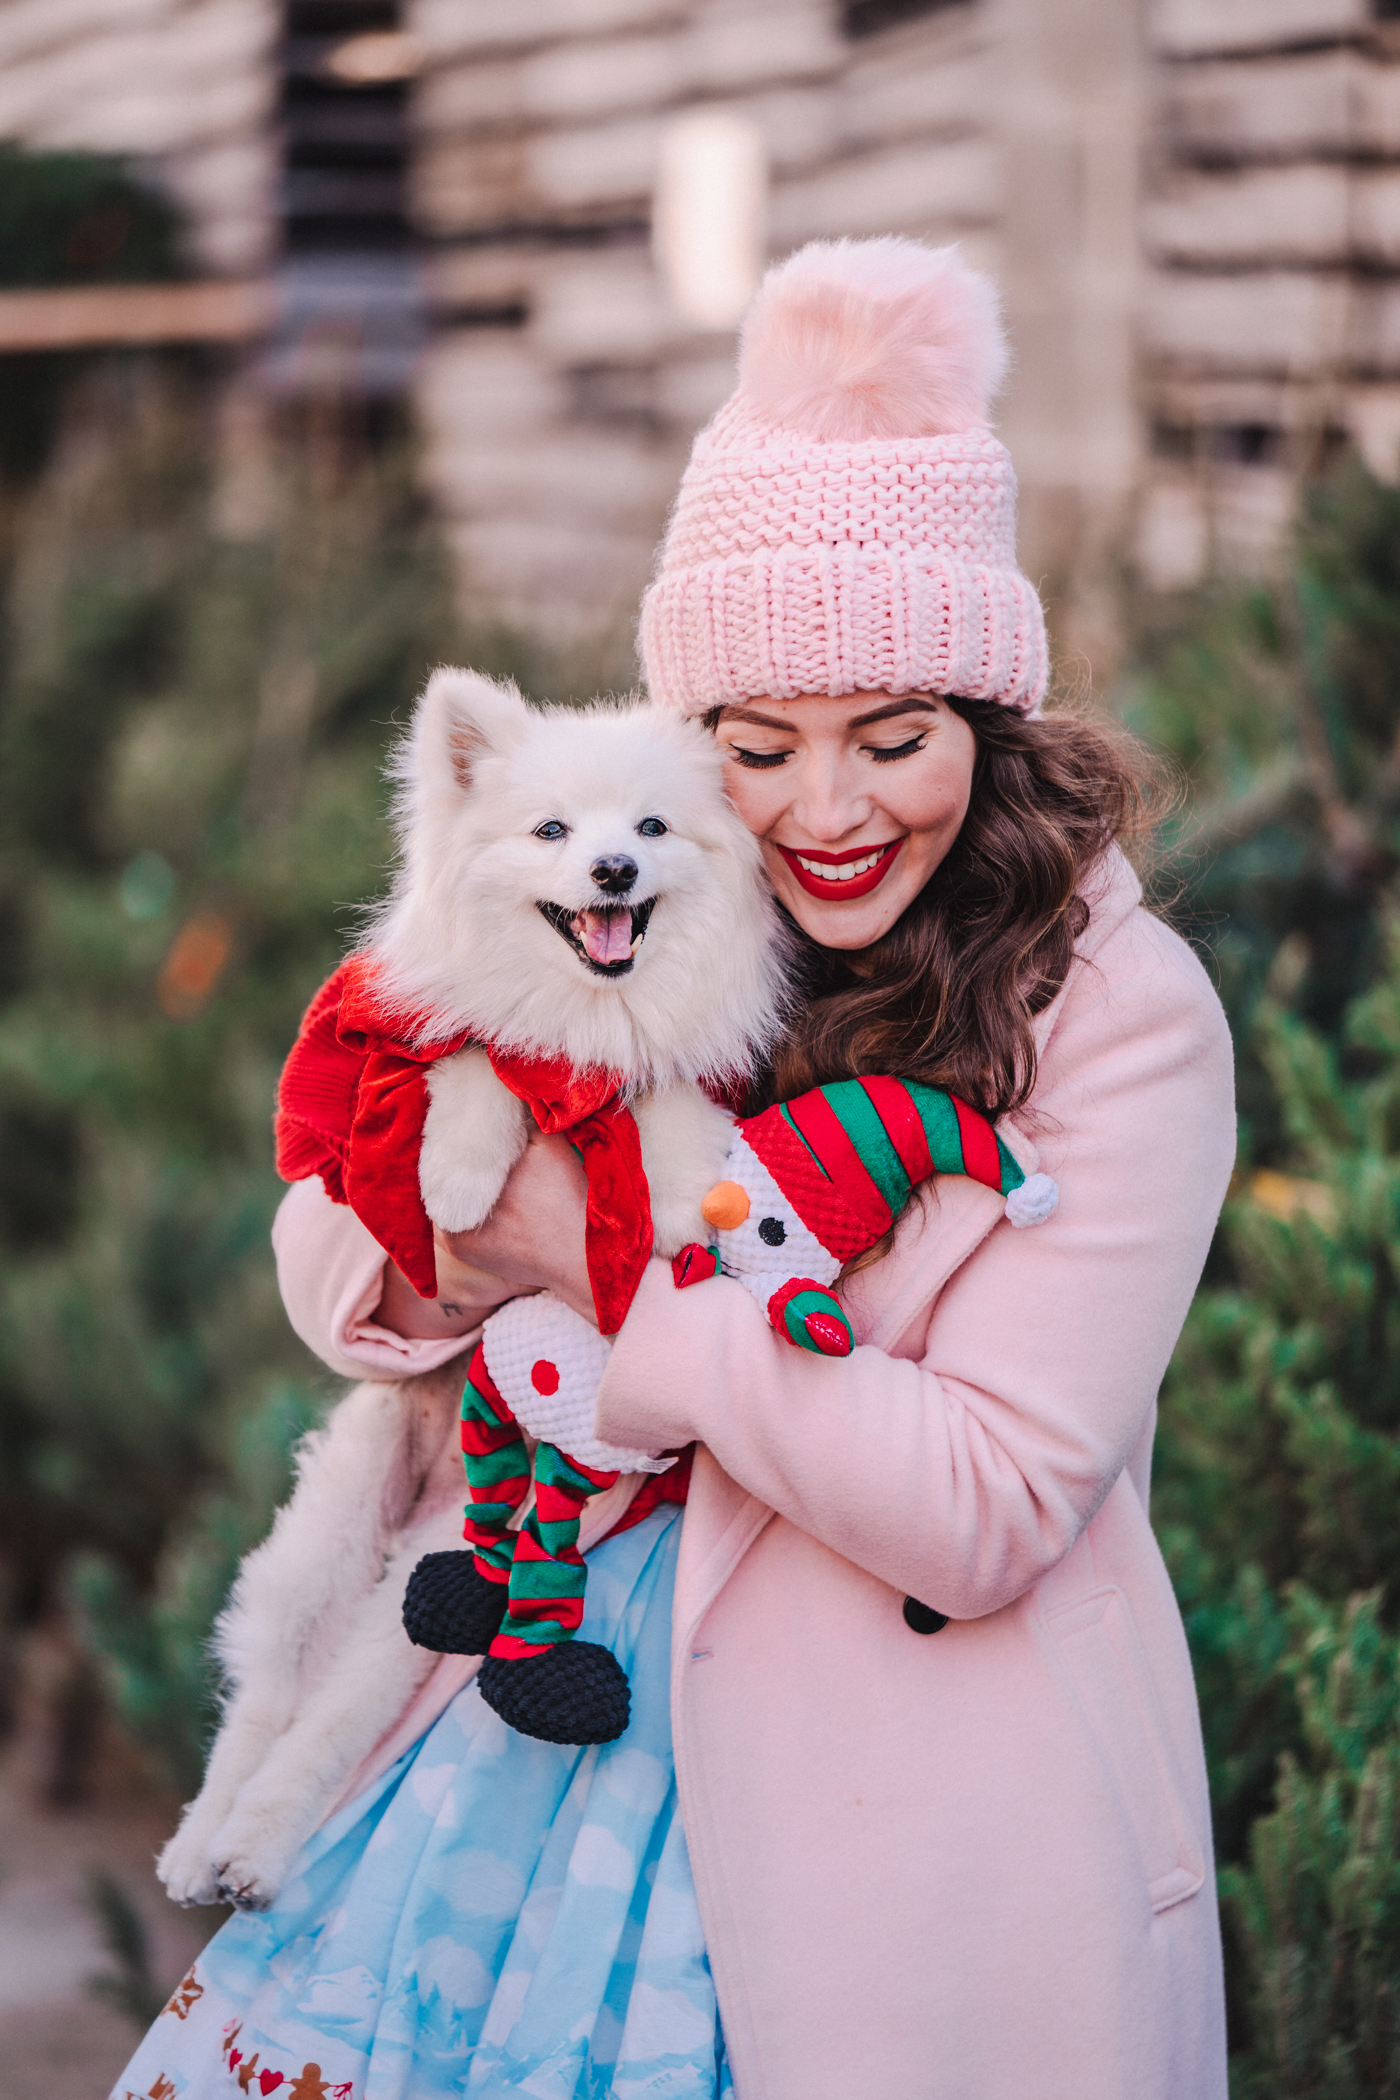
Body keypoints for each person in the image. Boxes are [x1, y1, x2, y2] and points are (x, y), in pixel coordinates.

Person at [113, 237, 1234, 2100]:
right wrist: (448, 1248)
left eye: (896, 740)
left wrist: (599, 1264)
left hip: (906, 1796)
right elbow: (338, 1224)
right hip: (533, 1739)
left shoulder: (1113, 1011)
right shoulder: (654, 887)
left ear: (987, 720)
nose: (829, 812)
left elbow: (987, 1497)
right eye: (760, 747)